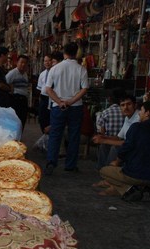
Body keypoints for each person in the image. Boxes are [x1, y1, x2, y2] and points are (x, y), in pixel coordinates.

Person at [95, 101, 150, 199]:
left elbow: (126, 147)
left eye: (141, 110)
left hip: (134, 174)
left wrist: (117, 161)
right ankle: (141, 188)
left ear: (147, 113)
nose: (139, 113)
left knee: (104, 171)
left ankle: (128, 188)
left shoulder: (137, 126)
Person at [44, 42, 89, 175]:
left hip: (58, 107)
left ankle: (51, 162)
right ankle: (70, 165)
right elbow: (84, 89)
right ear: (76, 53)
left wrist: (60, 102)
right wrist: (70, 101)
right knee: (74, 136)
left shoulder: (55, 68)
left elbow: (48, 89)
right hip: (75, 107)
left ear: (64, 53)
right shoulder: (81, 69)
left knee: (55, 135)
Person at [92, 95, 139, 170]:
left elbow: (129, 143)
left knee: (115, 147)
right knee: (104, 145)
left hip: (136, 149)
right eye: (122, 105)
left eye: (129, 104)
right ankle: (102, 170)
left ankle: (109, 172)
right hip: (128, 145)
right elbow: (118, 137)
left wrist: (104, 140)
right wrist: (103, 137)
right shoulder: (128, 117)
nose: (125, 108)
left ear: (135, 105)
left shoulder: (138, 118)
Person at [93, 89, 125, 170]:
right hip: (121, 140)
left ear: (109, 99)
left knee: (103, 145)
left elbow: (102, 132)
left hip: (112, 141)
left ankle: (102, 168)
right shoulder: (126, 112)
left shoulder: (105, 112)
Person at [5, 54, 30, 129]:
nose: (23, 64)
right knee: (15, 121)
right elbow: (5, 84)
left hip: (23, 100)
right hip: (15, 100)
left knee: (22, 121)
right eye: (21, 62)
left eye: (25, 63)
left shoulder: (25, 74)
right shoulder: (12, 73)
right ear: (17, 62)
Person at [36, 54, 53, 133]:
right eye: (45, 61)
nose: (47, 63)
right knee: (42, 118)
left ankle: (49, 135)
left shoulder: (55, 73)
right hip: (43, 98)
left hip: (52, 98)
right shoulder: (42, 74)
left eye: (49, 60)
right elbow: (39, 88)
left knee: (50, 118)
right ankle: (44, 134)